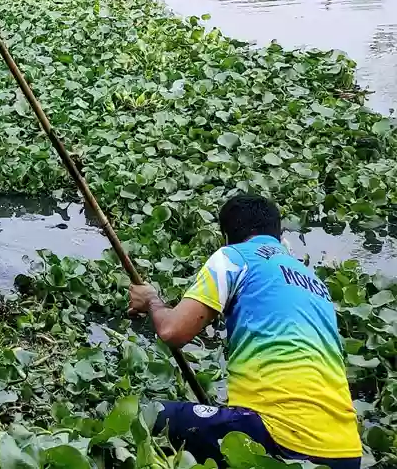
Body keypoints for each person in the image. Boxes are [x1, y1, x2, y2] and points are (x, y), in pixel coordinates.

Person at [128, 194, 361, 469]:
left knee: (142, 416)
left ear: (226, 236)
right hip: (346, 454)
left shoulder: (235, 256)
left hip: (280, 440)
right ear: (279, 234)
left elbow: (172, 331)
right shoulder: (315, 283)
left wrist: (152, 301)